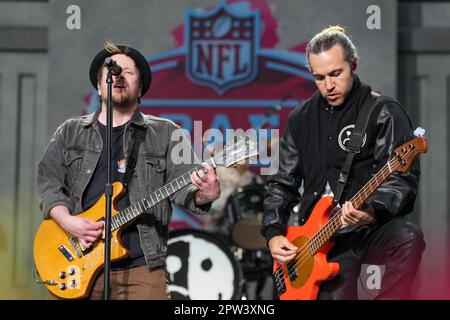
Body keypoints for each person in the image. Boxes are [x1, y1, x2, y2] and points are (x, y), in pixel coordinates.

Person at [36, 41, 220, 300]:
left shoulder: (168, 133)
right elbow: (48, 182)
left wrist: (206, 194)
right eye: (111, 72)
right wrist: (68, 221)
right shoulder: (70, 132)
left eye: (128, 72)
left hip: (142, 265)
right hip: (78, 259)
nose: (119, 75)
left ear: (141, 87)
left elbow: (185, 189)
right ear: (100, 86)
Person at [261, 26, 426, 300]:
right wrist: (274, 233)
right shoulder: (300, 118)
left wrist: (373, 210)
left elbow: (401, 181)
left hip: (371, 228)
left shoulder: (383, 111)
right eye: (319, 77)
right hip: (319, 239)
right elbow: (281, 183)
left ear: (354, 64)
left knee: (407, 236)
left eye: (336, 73)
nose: (328, 85)